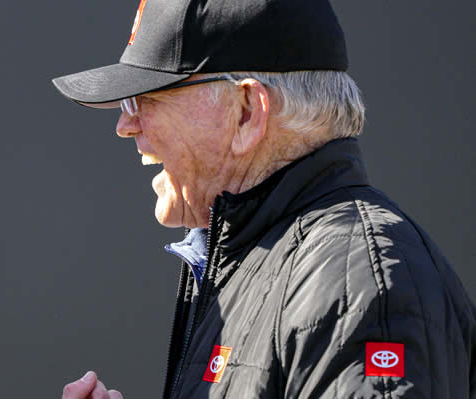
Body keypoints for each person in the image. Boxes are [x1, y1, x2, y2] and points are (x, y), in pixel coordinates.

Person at [53, 0, 476, 397]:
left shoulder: (357, 280)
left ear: (247, 112)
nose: (126, 125)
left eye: (145, 98)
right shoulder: (264, 260)